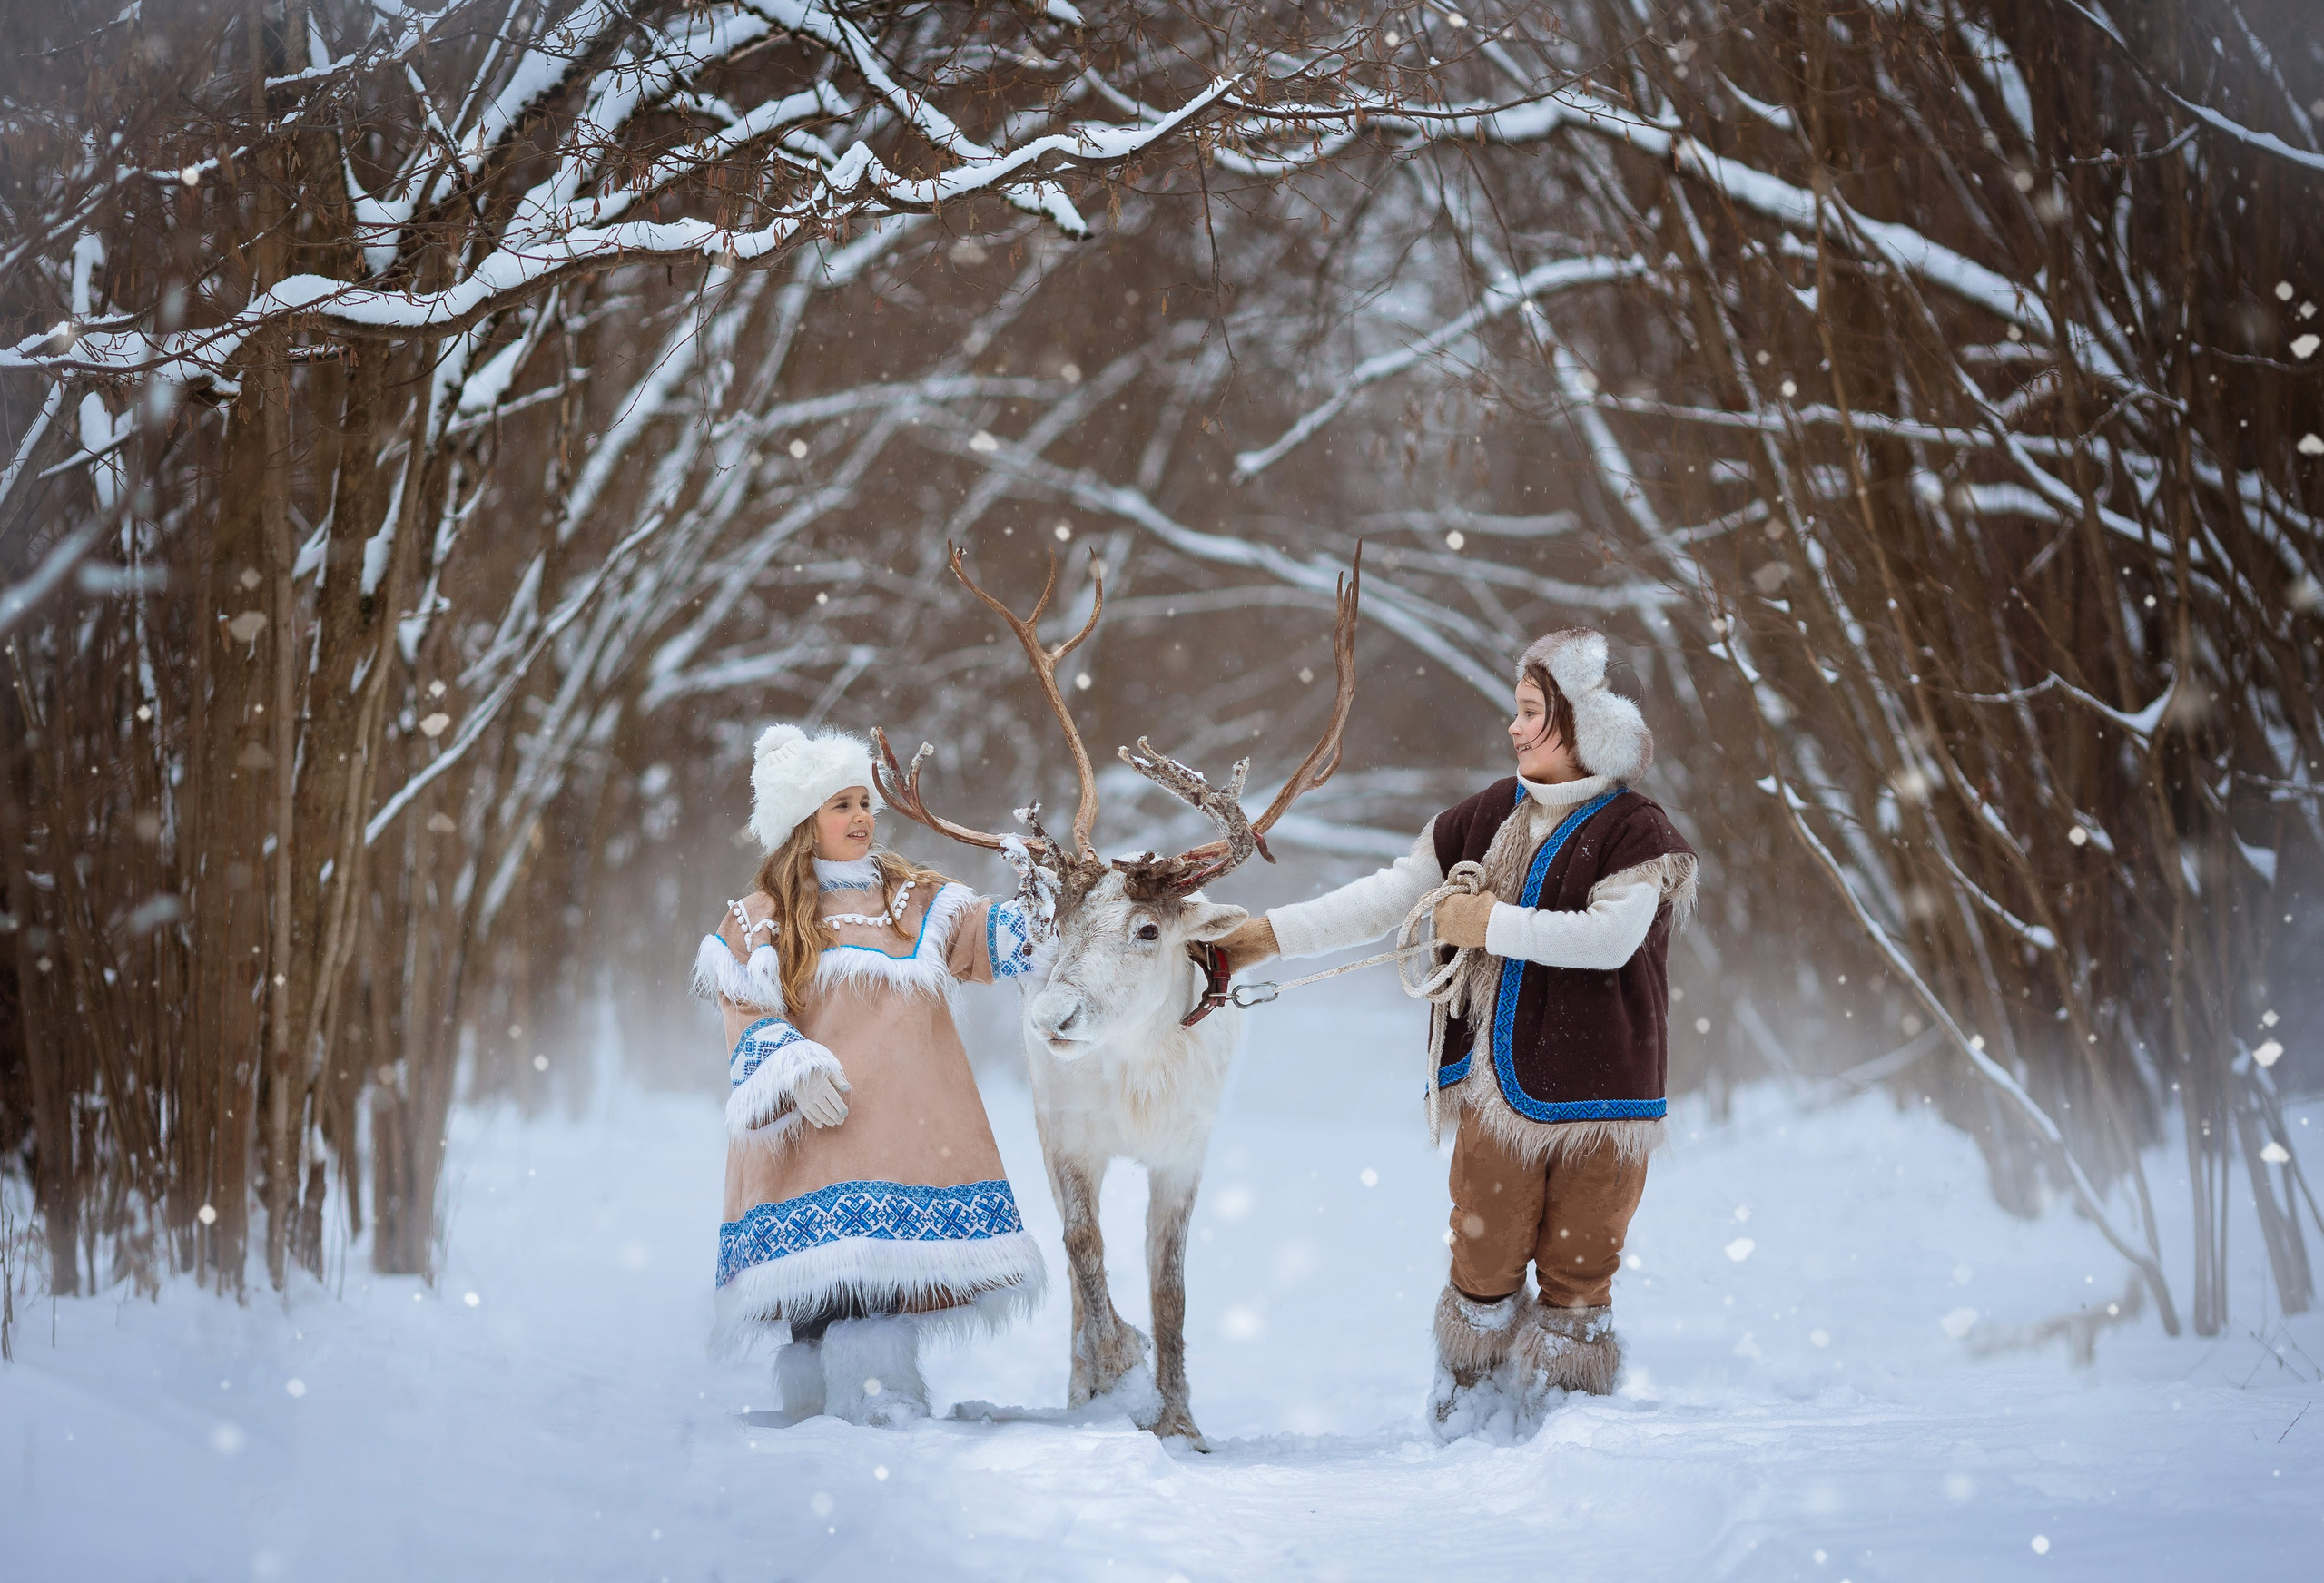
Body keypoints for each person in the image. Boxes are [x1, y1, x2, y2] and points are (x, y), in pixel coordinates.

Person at [1216, 629, 1697, 1438]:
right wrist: (1268, 934)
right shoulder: (1484, 817)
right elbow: (1388, 896)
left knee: (1584, 1263)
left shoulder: (1636, 833)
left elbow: (1607, 940)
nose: (1513, 729)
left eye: (1532, 713)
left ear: (1583, 727)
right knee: (1485, 1250)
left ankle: (1572, 1426)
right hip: (1498, 1087)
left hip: (1608, 1097)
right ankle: (1471, 1403)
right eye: (1518, 711)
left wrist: (1488, 923)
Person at [693, 724, 1048, 1426]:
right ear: (803, 823)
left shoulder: (911, 900)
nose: (861, 817)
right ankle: (818, 1402)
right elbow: (745, 1007)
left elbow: (986, 938)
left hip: (896, 1131)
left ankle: (881, 1398)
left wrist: (1050, 909)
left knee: (877, 1277)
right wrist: (789, 1066)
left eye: (864, 802)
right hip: (810, 1135)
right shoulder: (761, 920)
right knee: (822, 1286)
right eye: (841, 805)